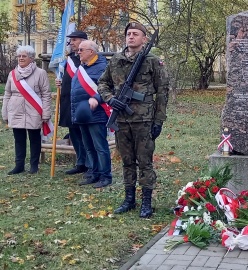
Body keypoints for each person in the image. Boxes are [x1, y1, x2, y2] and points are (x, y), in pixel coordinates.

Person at [97, 22, 169, 218]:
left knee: (145, 162)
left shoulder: (152, 61)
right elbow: (103, 83)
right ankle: (129, 199)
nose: (131, 37)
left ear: (144, 39)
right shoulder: (116, 60)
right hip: (121, 119)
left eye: (135, 34)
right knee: (127, 161)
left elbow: (162, 92)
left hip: (144, 120)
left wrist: (158, 120)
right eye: (128, 34)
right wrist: (110, 99)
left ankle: (146, 201)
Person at [2, 45, 51, 174]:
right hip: (16, 110)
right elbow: (7, 93)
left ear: (31, 58)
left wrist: (46, 113)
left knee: (34, 138)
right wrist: (5, 112)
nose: (21, 58)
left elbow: (46, 94)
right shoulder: (12, 74)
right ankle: (19, 165)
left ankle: (34, 165)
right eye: (19, 56)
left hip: (34, 110)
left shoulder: (41, 73)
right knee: (19, 139)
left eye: (24, 56)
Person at [71, 40, 112, 188]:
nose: (78, 52)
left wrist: (97, 99)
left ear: (91, 52)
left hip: (97, 113)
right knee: (88, 146)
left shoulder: (103, 67)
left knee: (100, 147)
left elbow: (109, 88)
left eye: (82, 50)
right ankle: (93, 173)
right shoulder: (81, 67)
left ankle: (105, 175)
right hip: (82, 114)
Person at [55, 31, 89, 175]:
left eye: (74, 40)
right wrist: (60, 82)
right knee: (74, 134)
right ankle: (80, 162)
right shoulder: (68, 59)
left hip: (83, 103)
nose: (71, 43)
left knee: (85, 135)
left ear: (83, 41)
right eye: (71, 40)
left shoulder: (89, 58)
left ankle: (90, 164)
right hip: (68, 102)